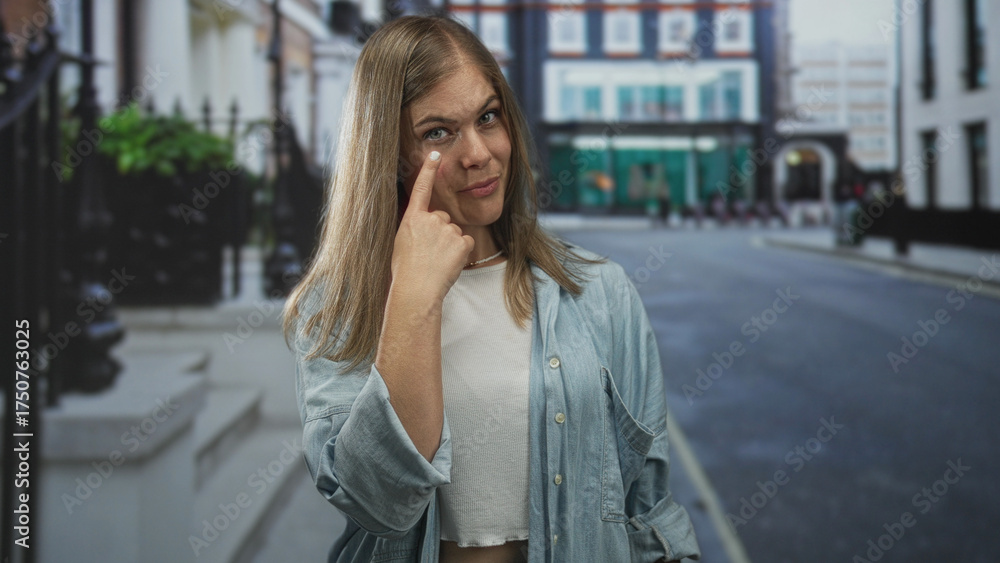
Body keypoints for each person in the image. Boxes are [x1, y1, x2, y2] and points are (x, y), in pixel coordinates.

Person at [283, 15, 701, 563]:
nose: (478, 152)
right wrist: (414, 297)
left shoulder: (599, 291)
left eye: (487, 117)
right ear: (389, 155)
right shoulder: (337, 307)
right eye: (438, 132)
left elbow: (645, 506)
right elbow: (377, 504)